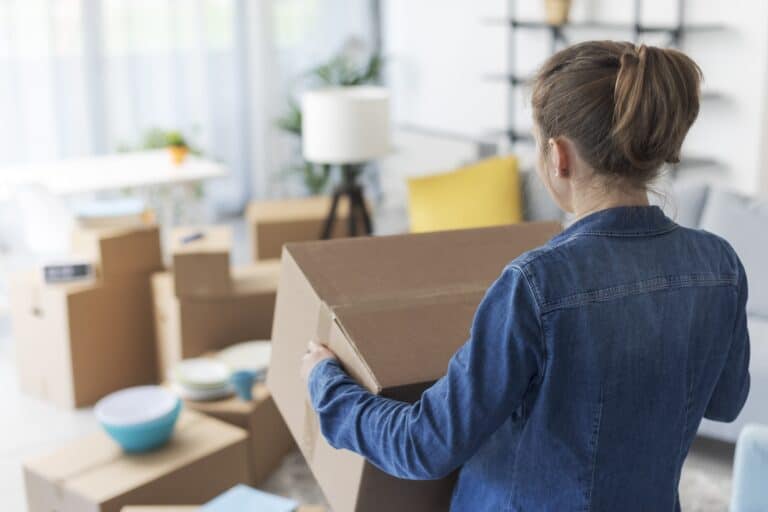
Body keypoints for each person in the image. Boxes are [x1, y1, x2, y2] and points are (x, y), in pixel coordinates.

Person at [300, 41, 751, 511]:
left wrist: (324, 384)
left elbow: (424, 445)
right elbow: (725, 402)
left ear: (558, 156)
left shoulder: (536, 284)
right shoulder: (720, 266)